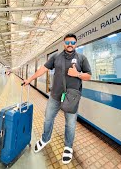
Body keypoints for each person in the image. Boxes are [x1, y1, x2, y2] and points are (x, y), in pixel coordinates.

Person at [23, 33, 92, 164]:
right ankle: (45, 139)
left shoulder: (82, 58)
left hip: (71, 98)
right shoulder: (56, 57)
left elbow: (89, 76)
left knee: (70, 124)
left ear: (76, 44)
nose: (70, 45)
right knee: (48, 118)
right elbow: (43, 69)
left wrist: (77, 74)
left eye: (72, 43)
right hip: (54, 96)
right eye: (67, 43)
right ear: (63, 44)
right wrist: (30, 79)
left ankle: (68, 147)